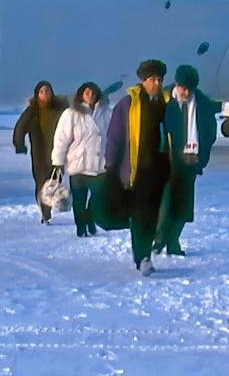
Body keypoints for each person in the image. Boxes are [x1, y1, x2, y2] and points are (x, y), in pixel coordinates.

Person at [106, 60, 170, 275]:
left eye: (160, 80)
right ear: (143, 81)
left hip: (159, 171)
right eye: (153, 79)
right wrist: (110, 165)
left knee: (152, 216)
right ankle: (142, 256)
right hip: (135, 172)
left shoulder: (167, 103)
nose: (157, 83)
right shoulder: (127, 104)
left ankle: (145, 254)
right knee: (140, 215)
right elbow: (115, 137)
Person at [156, 65, 221, 256]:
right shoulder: (165, 100)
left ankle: (174, 240)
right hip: (167, 160)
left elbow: (209, 132)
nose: (184, 92)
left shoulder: (203, 104)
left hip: (189, 161)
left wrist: (202, 158)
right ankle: (159, 240)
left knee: (184, 204)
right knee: (165, 202)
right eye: (181, 87)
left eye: (188, 88)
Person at [53, 82, 112, 236]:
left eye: (93, 92)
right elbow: (61, 139)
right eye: (87, 92)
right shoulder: (71, 114)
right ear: (81, 95)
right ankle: (81, 228)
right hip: (78, 164)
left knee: (98, 199)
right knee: (79, 201)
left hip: (100, 165)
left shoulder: (106, 113)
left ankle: (90, 219)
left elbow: (115, 137)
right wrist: (58, 162)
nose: (90, 95)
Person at [14, 81, 70, 223]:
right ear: (37, 94)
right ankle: (45, 212)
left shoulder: (60, 109)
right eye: (42, 92)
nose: (45, 95)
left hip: (58, 152)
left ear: (52, 92)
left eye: (47, 91)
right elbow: (20, 128)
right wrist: (19, 144)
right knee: (41, 182)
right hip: (39, 153)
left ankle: (54, 205)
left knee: (55, 181)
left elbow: (71, 127)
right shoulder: (32, 111)